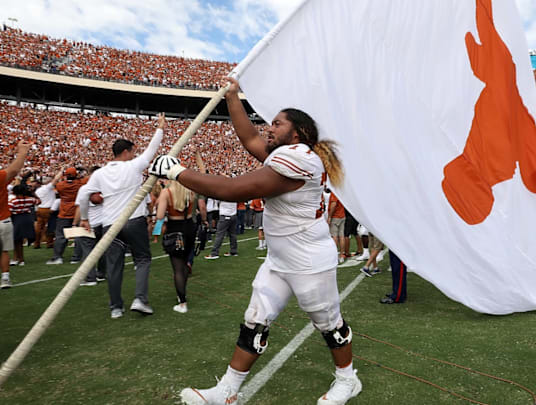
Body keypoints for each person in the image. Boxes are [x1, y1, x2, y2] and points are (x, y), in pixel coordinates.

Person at [150, 76, 361, 405]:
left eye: (277, 123)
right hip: (280, 258)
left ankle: (348, 379)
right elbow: (248, 137)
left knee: (329, 324)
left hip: (308, 261)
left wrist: (179, 173)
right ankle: (228, 390)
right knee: (255, 320)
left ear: (298, 133)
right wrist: (233, 97)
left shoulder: (301, 157)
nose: (268, 127)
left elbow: (233, 189)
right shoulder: (288, 153)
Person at [78, 113, 166, 319]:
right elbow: (152, 150)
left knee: (114, 266)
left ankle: (116, 308)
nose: (135, 156)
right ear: (126, 152)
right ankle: (140, 299)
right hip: (134, 220)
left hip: (110, 224)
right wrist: (160, 127)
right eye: (133, 152)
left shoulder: (100, 173)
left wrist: (84, 217)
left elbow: (83, 194)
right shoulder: (132, 166)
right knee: (143, 259)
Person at [155, 180, 194, 313]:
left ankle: (182, 302)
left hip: (174, 228)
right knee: (184, 264)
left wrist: (156, 232)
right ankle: (181, 294)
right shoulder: (190, 190)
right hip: (189, 227)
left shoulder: (167, 192)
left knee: (177, 268)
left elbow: (160, 216)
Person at [1, 141, 31, 289]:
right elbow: (14, 170)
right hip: (3, 220)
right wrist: (22, 151)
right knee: (4, 251)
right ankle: (5, 278)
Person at [73, 166, 106, 286]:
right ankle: (101, 273)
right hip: (104, 222)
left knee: (87, 250)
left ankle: (90, 277)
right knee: (102, 250)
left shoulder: (85, 189)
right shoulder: (107, 187)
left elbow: (80, 207)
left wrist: (77, 222)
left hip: (89, 222)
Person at [47, 167, 86, 265]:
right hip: (77, 212)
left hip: (64, 212)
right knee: (79, 236)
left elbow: (55, 181)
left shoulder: (60, 185)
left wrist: (61, 171)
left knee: (60, 236)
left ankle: (57, 257)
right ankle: (76, 258)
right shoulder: (80, 184)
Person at [9, 182, 39, 266]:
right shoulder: (30, 199)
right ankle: (21, 259)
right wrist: (33, 194)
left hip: (17, 219)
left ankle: (16, 258)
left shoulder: (13, 201)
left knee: (16, 240)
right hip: (27, 218)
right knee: (20, 240)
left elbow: (9, 212)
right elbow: (38, 201)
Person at [33, 170, 63, 249]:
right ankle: (49, 243)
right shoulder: (48, 188)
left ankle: (37, 243)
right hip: (48, 209)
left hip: (40, 209)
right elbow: (55, 180)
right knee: (49, 226)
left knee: (39, 227)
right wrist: (61, 171)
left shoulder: (38, 190)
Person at [326, 191, 345, 261]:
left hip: (336, 216)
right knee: (341, 236)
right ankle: (342, 255)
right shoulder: (340, 192)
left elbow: (334, 204)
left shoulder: (334, 193)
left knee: (335, 236)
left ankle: (335, 255)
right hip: (342, 215)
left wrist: (330, 216)